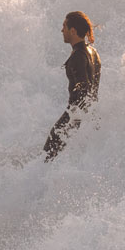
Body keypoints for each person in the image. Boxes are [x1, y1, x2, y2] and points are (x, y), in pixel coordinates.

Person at [43, 10, 101, 161]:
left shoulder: (77, 57)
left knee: (48, 155)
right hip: (90, 115)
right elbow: (90, 93)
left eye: (64, 26)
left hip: (74, 115)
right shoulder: (93, 52)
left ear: (73, 31)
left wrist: (74, 122)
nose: (62, 30)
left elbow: (84, 91)